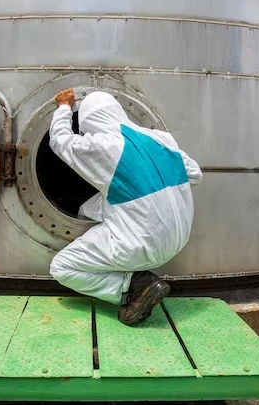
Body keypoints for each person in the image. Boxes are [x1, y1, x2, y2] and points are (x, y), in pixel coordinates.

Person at [48, 89, 202, 325]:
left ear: (89, 121)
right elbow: (194, 173)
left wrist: (64, 107)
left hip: (140, 245)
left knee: (62, 267)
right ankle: (136, 275)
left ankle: (135, 287)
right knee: (94, 205)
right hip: (179, 239)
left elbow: (60, 141)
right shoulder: (162, 139)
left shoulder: (104, 145)